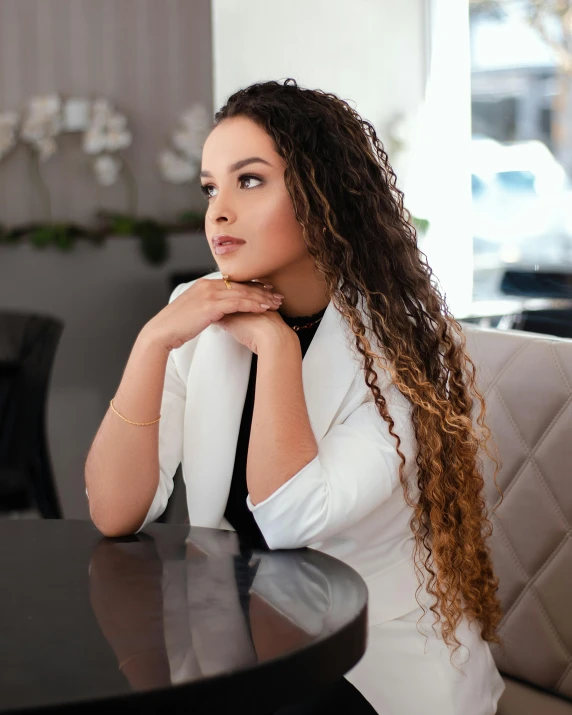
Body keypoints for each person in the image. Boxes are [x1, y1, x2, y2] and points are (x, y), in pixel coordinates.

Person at [85, 78, 506, 714]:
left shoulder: (399, 344)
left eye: (249, 180)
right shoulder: (195, 313)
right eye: (210, 187)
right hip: (237, 640)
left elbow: (290, 520)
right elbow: (116, 513)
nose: (218, 211)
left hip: (370, 660)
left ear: (321, 195)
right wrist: (151, 345)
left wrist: (278, 350)